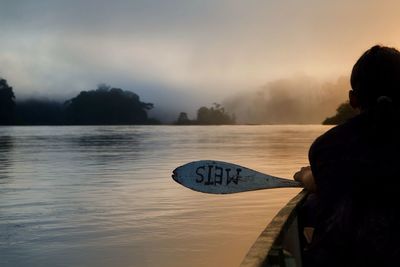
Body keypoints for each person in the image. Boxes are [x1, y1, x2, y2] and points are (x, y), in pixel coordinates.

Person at [294, 45, 400, 267]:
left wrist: (306, 177)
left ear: (353, 99)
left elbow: (330, 178)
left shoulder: (326, 148)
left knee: (311, 206)